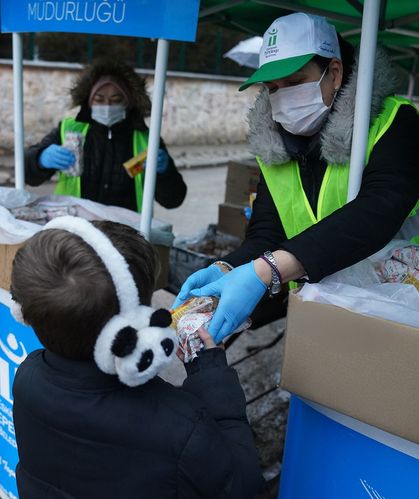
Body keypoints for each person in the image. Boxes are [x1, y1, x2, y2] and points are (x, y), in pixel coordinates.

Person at [174, 12, 419, 342]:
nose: (282, 97)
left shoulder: (394, 122)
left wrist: (267, 271)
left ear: (334, 73)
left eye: (293, 82)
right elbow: (267, 232)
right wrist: (227, 269)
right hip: (324, 307)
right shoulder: (274, 145)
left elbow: (378, 209)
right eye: (273, 88)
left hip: (399, 304)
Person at [10, 216, 265, 499]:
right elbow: (240, 482)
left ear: (24, 312)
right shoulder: (181, 424)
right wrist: (211, 373)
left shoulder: (26, 376)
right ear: (137, 325)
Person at [24, 58, 186, 212]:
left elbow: (173, 200)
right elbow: (27, 174)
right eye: (99, 100)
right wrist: (40, 159)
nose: (107, 106)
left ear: (129, 102)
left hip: (126, 231)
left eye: (116, 100)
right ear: (88, 101)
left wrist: (165, 172)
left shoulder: (146, 140)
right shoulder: (69, 130)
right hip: (75, 228)